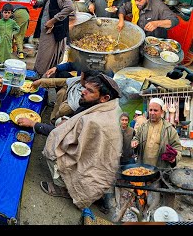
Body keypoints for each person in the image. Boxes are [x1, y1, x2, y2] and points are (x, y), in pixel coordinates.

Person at [39, 73, 123, 209]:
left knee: (53, 146)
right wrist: (68, 122)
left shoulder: (95, 122)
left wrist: (35, 125)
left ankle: (66, 189)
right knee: (61, 122)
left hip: (96, 173)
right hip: (103, 163)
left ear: (104, 98)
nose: (83, 92)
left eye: (90, 91)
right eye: (85, 88)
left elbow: (62, 140)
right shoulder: (111, 105)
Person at [32, 0, 74, 77]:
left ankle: (42, 79)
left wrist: (53, 20)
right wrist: (37, 4)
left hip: (54, 34)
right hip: (46, 33)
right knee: (43, 55)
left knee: (46, 57)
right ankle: (41, 76)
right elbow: (46, 3)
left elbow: (69, 7)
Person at [27, 69, 98, 124]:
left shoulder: (84, 98)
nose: (80, 77)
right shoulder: (78, 81)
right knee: (62, 92)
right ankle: (53, 117)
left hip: (73, 118)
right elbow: (61, 81)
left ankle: (54, 121)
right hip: (68, 102)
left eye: (81, 76)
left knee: (63, 110)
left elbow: (66, 109)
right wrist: (41, 81)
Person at [131, 97, 182, 168]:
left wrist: (174, 159)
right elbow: (136, 138)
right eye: (150, 110)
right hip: (143, 168)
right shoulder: (143, 126)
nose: (152, 113)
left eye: (155, 110)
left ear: (162, 112)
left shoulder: (169, 129)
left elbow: (177, 148)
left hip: (161, 170)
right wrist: (135, 142)